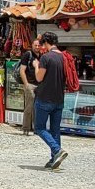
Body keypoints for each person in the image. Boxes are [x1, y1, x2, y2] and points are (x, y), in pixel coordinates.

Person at [33, 31, 68, 169]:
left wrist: (36, 65)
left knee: (40, 128)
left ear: (46, 43)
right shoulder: (64, 57)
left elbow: (39, 78)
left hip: (45, 98)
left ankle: (57, 150)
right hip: (59, 98)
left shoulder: (46, 58)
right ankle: (55, 159)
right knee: (55, 130)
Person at [19, 39, 41, 135]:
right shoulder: (28, 55)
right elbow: (22, 70)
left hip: (39, 85)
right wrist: (26, 84)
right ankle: (26, 128)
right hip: (30, 85)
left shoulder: (42, 56)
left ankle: (36, 129)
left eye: (38, 45)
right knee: (29, 107)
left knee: (37, 107)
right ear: (32, 45)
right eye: (35, 45)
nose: (37, 47)